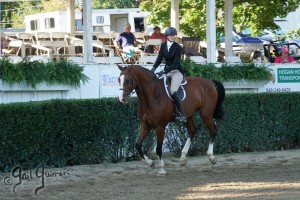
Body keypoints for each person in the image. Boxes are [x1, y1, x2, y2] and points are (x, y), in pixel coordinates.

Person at [151, 27, 186, 122]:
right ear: (166, 36)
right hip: (167, 71)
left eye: (174, 35)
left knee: (173, 90)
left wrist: (163, 72)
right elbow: (159, 59)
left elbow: (175, 64)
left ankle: (182, 114)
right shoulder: (163, 46)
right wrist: (153, 69)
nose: (173, 36)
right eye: (171, 35)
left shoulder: (178, 47)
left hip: (176, 72)